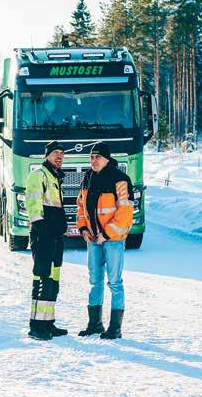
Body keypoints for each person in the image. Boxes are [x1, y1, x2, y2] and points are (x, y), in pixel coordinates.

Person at [76, 142, 134, 339]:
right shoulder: (87, 178)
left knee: (115, 282)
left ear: (107, 158)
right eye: (91, 157)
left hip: (113, 240)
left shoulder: (121, 180)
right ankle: (95, 324)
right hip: (92, 239)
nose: (93, 161)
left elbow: (125, 213)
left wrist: (106, 234)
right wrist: (83, 228)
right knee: (95, 281)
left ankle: (115, 328)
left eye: (97, 157)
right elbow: (81, 206)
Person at [26, 141, 68, 340]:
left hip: (55, 238)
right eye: (55, 153)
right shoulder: (38, 175)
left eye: (61, 153)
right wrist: (42, 231)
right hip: (43, 236)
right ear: (47, 156)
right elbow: (33, 204)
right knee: (42, 279)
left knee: (53, 281)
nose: (59, 157)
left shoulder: (55, 176)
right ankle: (36, 326)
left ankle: (48, 322)